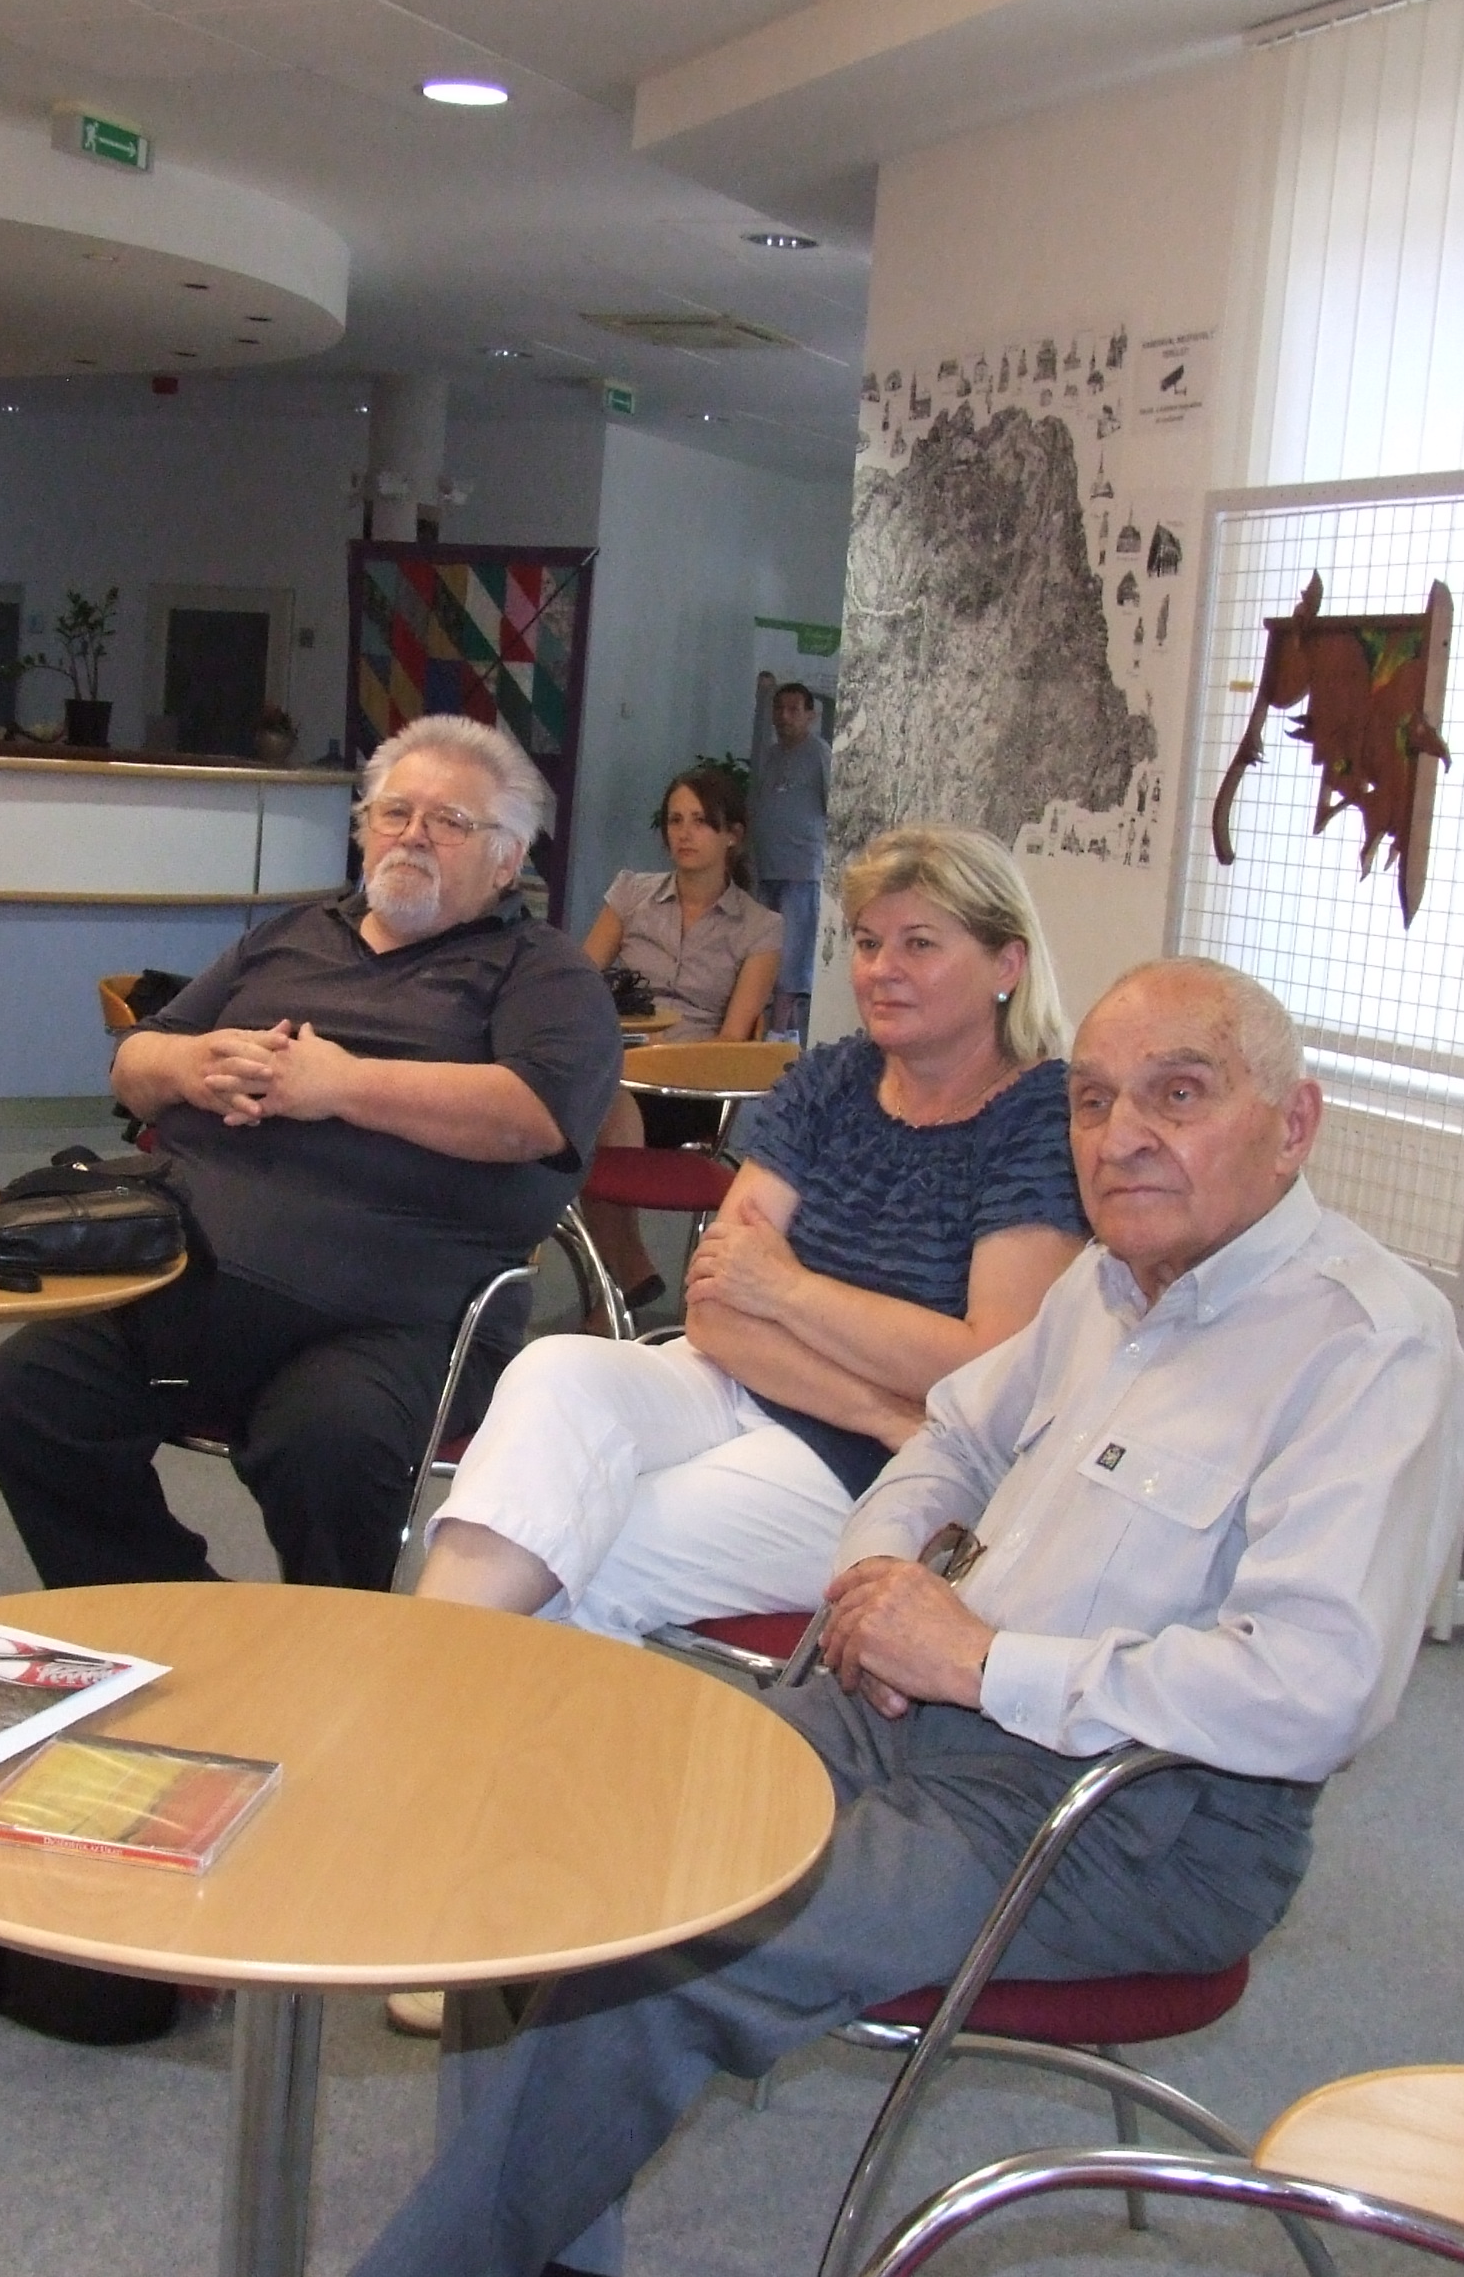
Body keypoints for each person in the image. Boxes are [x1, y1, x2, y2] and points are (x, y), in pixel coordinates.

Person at [150, 958, 1464, 2277]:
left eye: (1178, 1095)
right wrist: (874, 1572)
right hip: (905, 1709)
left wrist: (977, 1658)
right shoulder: (1112, 1287)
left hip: (1125, 1817)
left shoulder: (1367, 1347)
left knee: (681, 1927)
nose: (1121, 1140)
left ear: (1293, 1123)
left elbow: (1311, 1690)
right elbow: (949, 1441)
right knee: (551, 1837)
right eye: (1097, 1102)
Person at [0, 715, 620, 1596]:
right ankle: (181, 1618)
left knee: (329, 1446)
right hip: (188, 1281)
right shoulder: (289, 936)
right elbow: (133, 1062)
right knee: (29, 1392)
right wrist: (191, 1066)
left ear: (508, 860)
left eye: (449, 821)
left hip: (395, 1318)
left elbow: (533, 1117)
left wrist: (343, 1085)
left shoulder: (544, 973)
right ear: (364, 829)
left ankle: (330, 1658)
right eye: (395, 813)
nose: (413, 836)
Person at [411, 823, 1088, 1645]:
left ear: (1006, 965)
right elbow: (713, 1308)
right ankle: (424, 1675)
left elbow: (985, 1371)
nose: (882, 969)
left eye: (920, 944)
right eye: (868, 943)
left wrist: (788, 1290)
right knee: (552, 1374)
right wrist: (876, 1399)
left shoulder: (1041, 1118)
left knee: (589, 1550)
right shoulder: (835, 1077)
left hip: (879, 1471)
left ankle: (431, 1689)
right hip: (755, 1386)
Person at [571, 764, 785, 1308]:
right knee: (593, 1098)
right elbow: (577, 983)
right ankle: (626, 1276)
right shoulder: (631, 894)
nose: (684, 834)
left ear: (732, 835)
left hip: (692, 1086)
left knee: (593, 1106)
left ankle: (617, 1286)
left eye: (701, 822)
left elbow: (735, 1038)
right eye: (675, 820)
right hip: (618, 1066)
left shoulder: (760, 927)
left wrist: (664, 1058)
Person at [749, 678, 830, 1037]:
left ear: (810, 715)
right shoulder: (769, 756)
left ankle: (778, 1034)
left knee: (793, 957)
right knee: (765, 949)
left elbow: (835, 810)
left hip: (801, 872)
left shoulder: (820, 754)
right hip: (767, 869)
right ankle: (785, 1036)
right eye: (779, 709)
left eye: (794, 710)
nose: (784, 716)